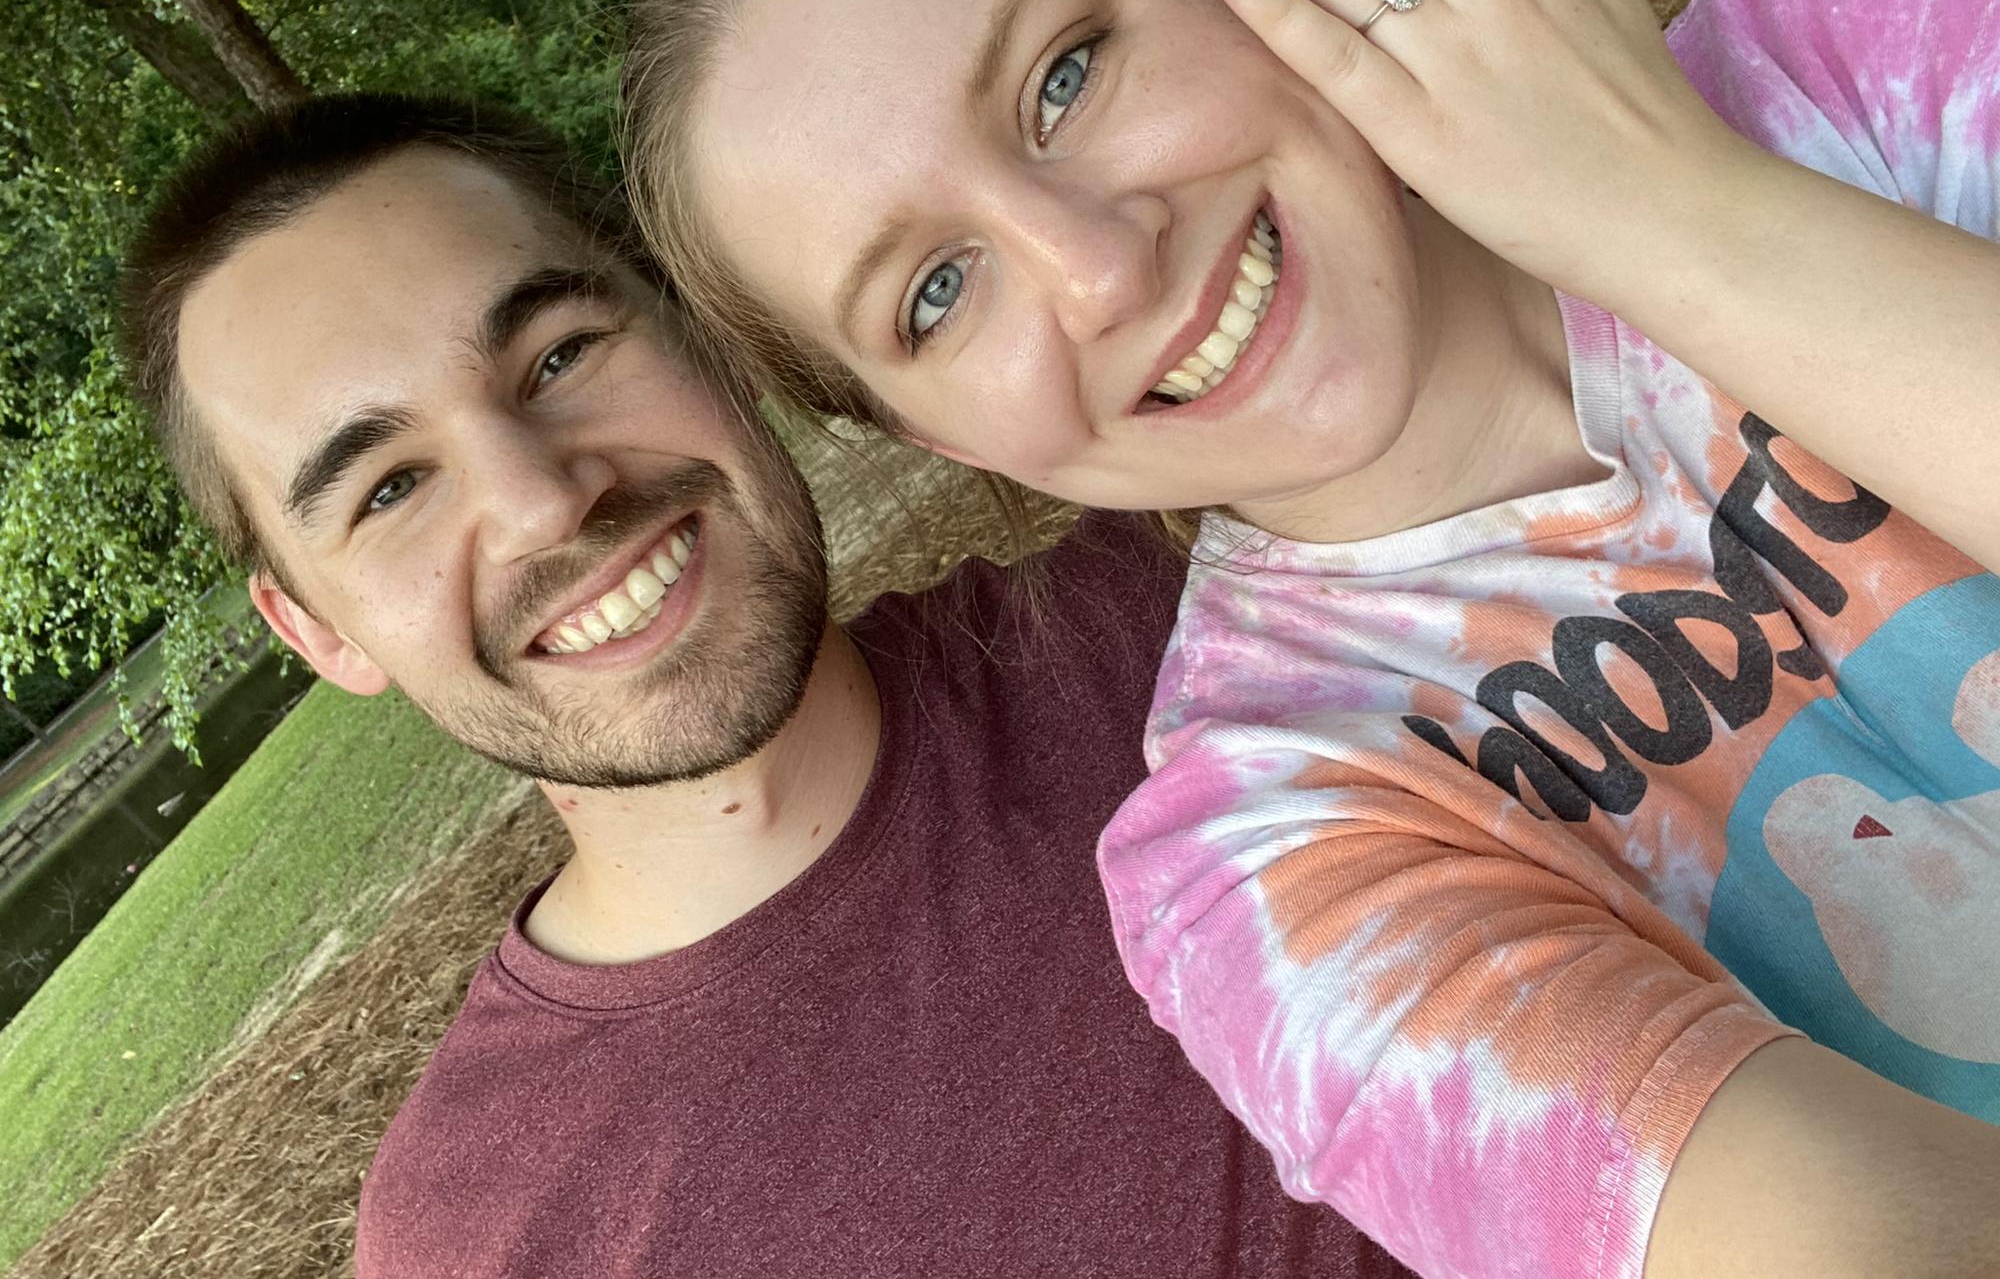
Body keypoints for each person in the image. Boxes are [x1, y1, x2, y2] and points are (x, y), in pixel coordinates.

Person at [618, 0, 2000, 1278]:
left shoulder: (1836, 71)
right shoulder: (1269, 856)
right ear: (939, 437)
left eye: (1064, 76)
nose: (1095, 269)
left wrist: (1667, 214)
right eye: (935, 295)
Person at [115, 94, 1410, 1279]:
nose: (539, 496)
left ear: (703, 335)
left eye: (560, 356)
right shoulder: (475, 1237)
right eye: (390, 487)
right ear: (321, 632)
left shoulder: (1235, 599)